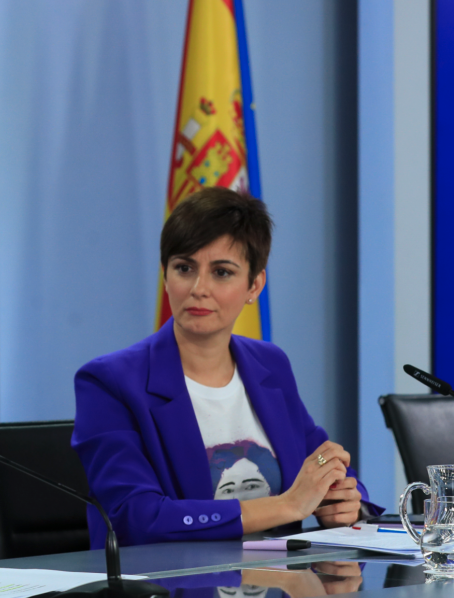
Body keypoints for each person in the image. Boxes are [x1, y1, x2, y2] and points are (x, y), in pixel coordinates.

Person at [72, 187, 380, 547]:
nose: (199, 288)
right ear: (166, 275)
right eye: (184, 268)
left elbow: (321, 457)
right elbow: (135, 517)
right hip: (174, 593)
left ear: (255, 285)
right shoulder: (111, 382)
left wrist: (343, 499)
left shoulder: (270, 365)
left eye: (221, 272)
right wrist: (287, 506)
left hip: (284, 593)